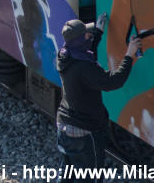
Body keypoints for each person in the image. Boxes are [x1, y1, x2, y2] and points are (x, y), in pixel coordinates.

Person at [55, 13, 141, 181]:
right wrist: (129, 55)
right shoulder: (84, 69)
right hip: (83, 131)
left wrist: (98, 33)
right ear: (80, 41)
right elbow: (112, 82)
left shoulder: (65, 55)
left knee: (67, 174)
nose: (89, 34)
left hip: (64, 126)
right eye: (87, 34)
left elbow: (86, 52)